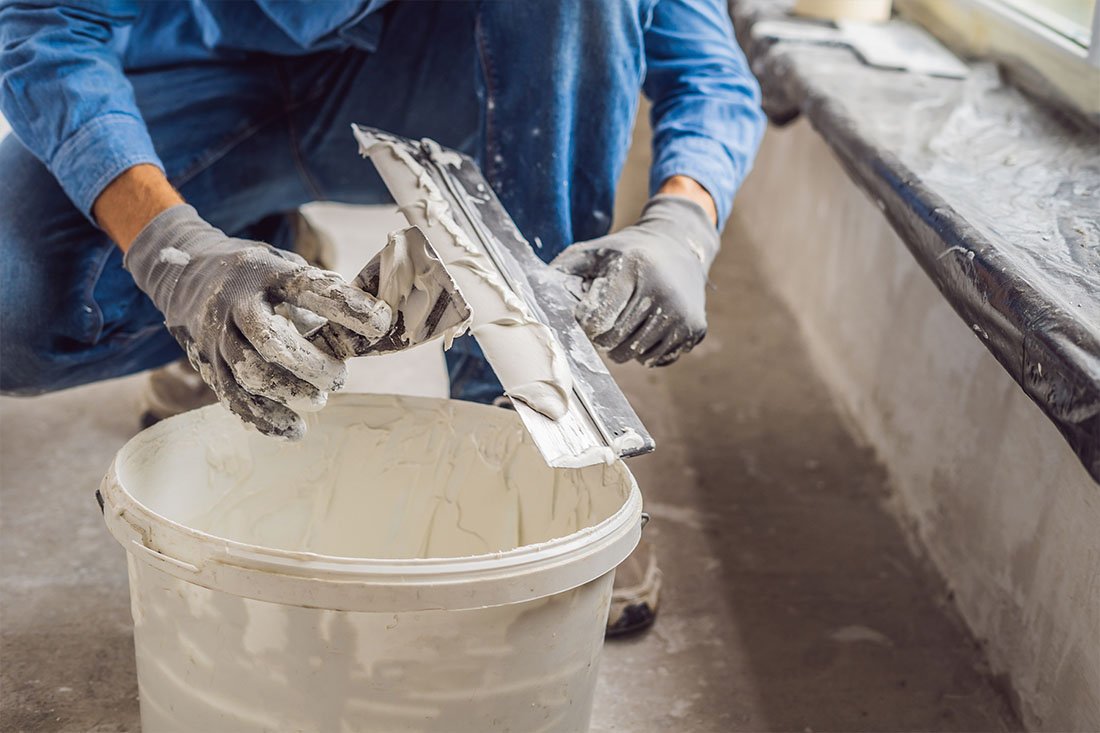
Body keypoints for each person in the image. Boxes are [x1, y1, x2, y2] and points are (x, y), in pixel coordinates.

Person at [0, 0, 765, 633]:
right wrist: (171, 249)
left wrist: (685, 222)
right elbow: (46, 24)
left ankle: (534, 425)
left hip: (434, 74)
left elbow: (704, 63)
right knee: (14, 311)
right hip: (188, 73)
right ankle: (245, 265)